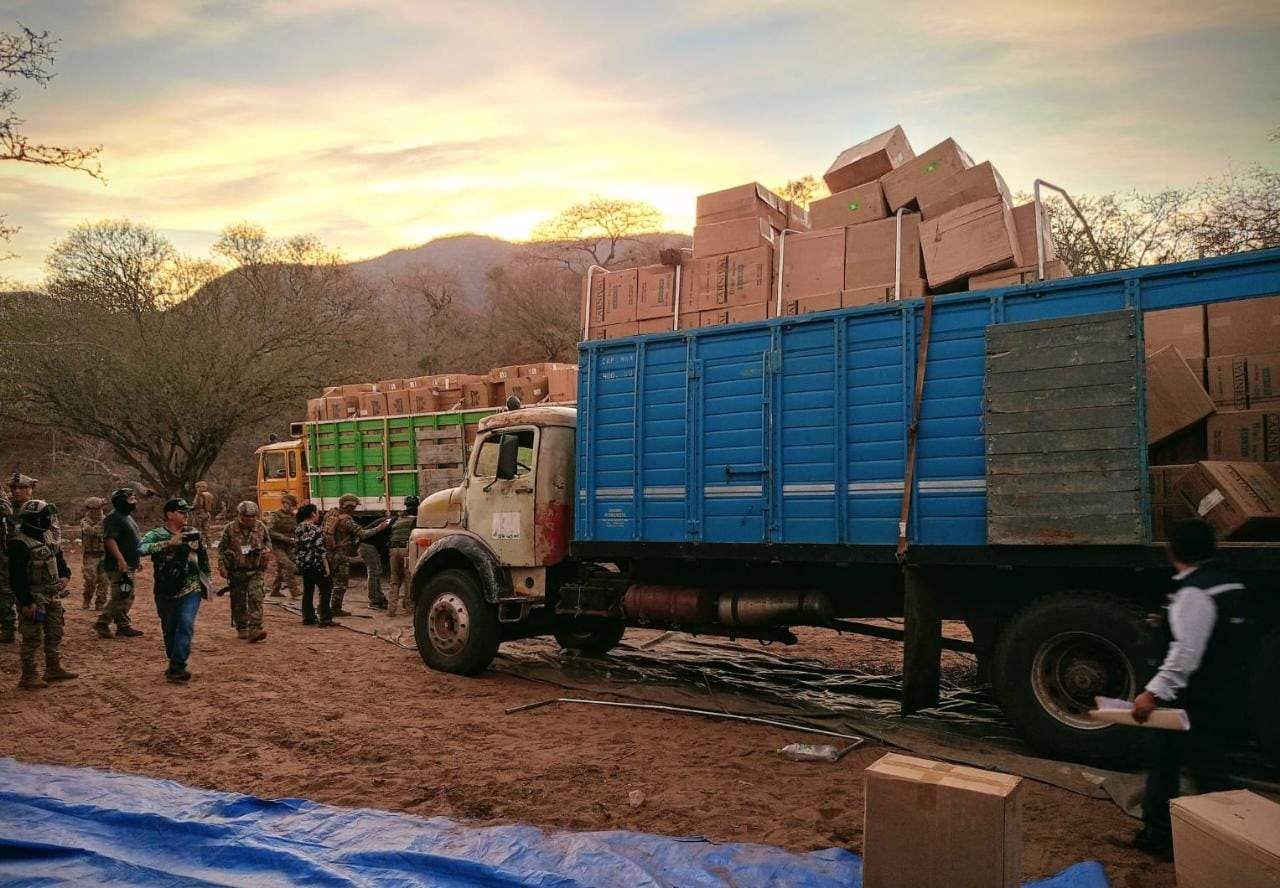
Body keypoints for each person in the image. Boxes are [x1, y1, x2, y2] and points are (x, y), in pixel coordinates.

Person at [1112, 518, 1253, 859]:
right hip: (1218, 694)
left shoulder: (1192, 591)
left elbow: (1186, 653)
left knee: (1193, 769)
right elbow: (1210, 634)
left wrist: (1153, 693)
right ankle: (1168, 835)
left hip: (1189, 699)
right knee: (1178, 763)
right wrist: (1167, 623)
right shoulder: (1227, 584)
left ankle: (1232, 842)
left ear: (1173, 550)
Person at [7, 499, 78, 690]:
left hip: (53, 595)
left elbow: (59, 557)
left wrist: (65, 576)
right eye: (46, 517)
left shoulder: (47, 536)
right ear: (36, 519)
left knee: (55, 632)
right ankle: (28, 675)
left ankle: (53, 669)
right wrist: (27, 602)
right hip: (34, 598)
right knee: (32, 636)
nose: (49, 520)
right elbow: (16, 578)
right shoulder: (18, 544)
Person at [139, 498, 211, 682]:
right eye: (181, 512)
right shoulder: (156, 534)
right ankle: (174, 661)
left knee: (185, 624)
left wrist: (207, 581)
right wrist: (168, 544)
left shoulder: (194, 533)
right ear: (169, 514)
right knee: (169, 628)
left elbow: (202, 556)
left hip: (191, 587)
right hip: (165, 589)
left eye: (187, 512)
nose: (186, 515)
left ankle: (178, 666)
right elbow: (140, 549)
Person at [322, 495, 391, 617]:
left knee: (330, 581)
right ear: (349, 506)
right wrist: (380, 528)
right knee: (341, 583)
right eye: (353, 507)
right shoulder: (346, 520)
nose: (353, 510)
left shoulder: (330, 515)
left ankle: (323, 606)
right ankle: (335, 608)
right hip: (341, 553)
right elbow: (363, 534)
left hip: (329, 552)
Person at [218, 501, 273, 642]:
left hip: (256, 569)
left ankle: (255, 628)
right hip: (237, 571)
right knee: (238, 600)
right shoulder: (230, 529)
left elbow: (267, 542)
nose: (251, 519)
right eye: (247, 516)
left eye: (253, 516)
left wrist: (267, 551)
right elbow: (221, 549)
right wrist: (222, 566)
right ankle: (242, 627)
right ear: (240, 515)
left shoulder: (260, 527)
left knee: (256, 597)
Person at [95, 487, 145, 640]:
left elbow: (130, 540)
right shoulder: (114, 518)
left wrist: (137, 559)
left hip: (129, 563)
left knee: (127, 595)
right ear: (121, 502)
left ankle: (123, 627)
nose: (135, 502)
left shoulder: (126, 516)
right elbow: (110, 539)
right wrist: (120, 559)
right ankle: (102, 623)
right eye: (131, 499)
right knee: (121, 597)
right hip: (118, 566)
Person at [294, 503, 334, 627]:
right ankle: (325, 618)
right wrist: (326, 566)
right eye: (317, 512)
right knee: (326, 589)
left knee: (308, 590)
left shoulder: (298, 528)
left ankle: (308, 617)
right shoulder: (316, 529)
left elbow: (297, 547)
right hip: (315, 563)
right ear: (313, 514)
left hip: (303, 564)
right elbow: (319, 549)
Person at [386, 496, 419, 617]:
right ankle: (409, 608)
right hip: (407, 549)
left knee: (394, 580)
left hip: (394, 550)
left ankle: (391, 610)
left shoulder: (396, 519)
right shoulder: (416, 520)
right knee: (408, 579)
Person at [266, 494, 301, 599]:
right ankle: (294, 591)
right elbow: (269, 531)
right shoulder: (275, 516)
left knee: (283, 567)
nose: (293, 508)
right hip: (277, 546)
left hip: (289, 546)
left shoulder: (292, 516)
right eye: (291, 505)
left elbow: (295, 530)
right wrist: (283, 538)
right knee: (289, 565)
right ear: (285, 504)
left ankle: (275, 590)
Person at [80, 497, 109, 610]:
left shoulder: (106, 520)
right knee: (90, 579)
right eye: (97, 508)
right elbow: (92, 532)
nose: (99, 510)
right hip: (90, 555)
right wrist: (103, 523)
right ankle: (87, 598)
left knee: (104, 580)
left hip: (105, 553)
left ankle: (100, 602)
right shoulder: (85, 522)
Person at [359, 516, 392, 610]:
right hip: (368, 546)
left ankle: (379, 597)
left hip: (369, 545)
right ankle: (374, 600)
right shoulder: (391, 523)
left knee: (377, 571)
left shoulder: (390, 520)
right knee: (373, 572)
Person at [191, 481, 216, 549]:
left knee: (197, 530)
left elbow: (196, 505)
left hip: (199, 515)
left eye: (197, 487)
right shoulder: (209, 494)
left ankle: (199, 545)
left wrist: (189, 508)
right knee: (206, 531)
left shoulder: (199, 495)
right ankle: (209, 545)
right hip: (207, 514)